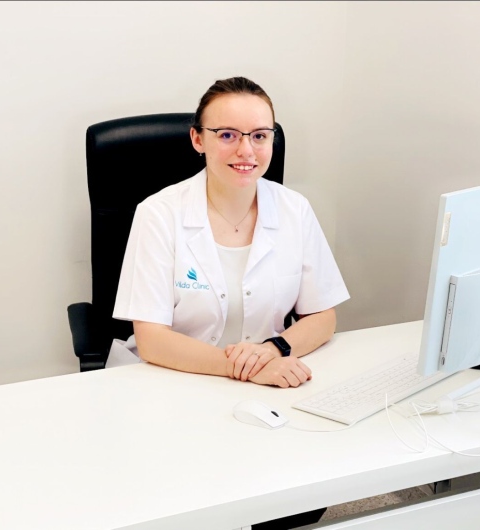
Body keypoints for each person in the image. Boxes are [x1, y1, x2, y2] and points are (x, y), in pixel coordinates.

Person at [112, 76, 350, 529]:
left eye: (260, 136)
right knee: (182, 498)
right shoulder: (159, 214)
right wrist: (245, 367)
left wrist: (274, 350)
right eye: (227, 135)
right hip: (175, 384)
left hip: (264, 384)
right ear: (197, 140)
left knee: (296, 492)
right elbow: (153, 340)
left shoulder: (294, 209)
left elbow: (323, 315)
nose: (246, 150)